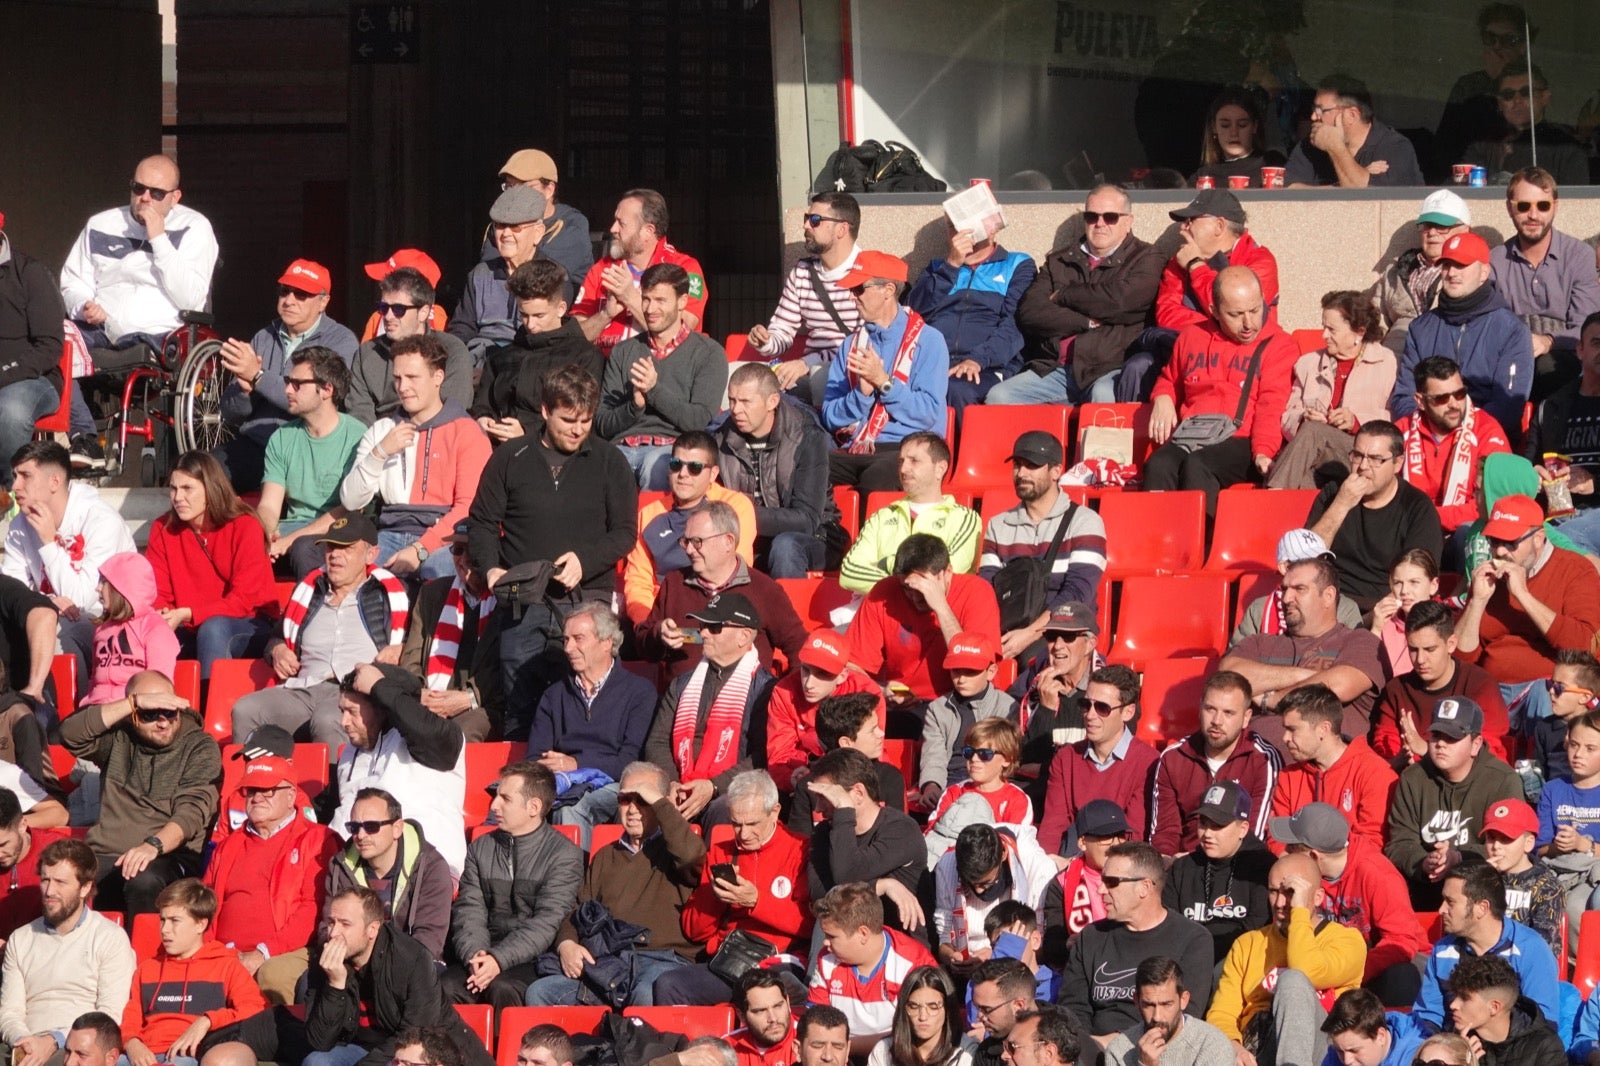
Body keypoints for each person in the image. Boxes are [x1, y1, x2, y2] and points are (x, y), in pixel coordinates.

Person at [467, 363, 637, 739]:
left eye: (586, 420)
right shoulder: (510, 457)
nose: (578, 429)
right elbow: (480, 522)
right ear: (544, 411)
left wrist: (584, 559)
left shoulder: (611, 462)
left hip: (587, 600)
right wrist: (492, 569)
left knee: (590, 699)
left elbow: (625, 532)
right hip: (523, 598)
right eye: (568, 420)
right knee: (520, 705)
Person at [61, 155, 218, 460]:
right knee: (54, 339)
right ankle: (84, 436)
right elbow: (73, 280)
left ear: (175, 197)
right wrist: (83, 305)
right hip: (101, 327)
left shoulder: (195, 227)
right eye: (138, 188)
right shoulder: (101, 224)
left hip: (160, 333)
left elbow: (191, 297)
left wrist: (158, 237)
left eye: (156, 193)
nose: (145, 198)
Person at [523, 761, 706, 1007]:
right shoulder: (605, 856)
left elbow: (692, 857)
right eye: (625, 800)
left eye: (642, 800)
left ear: (661, 804)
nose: (632, 809)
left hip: (664, 961)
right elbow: (578, 909)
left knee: (645, 993)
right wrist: (567, 944)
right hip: (611, 964)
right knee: (540, 992)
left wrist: (662, 805)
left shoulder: (676, 850)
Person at [231, 514, 409, 755]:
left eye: (346, 548)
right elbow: (277, 637)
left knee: (327, 720)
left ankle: (333, 793)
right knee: (245, 709)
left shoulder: (387, 595)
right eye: (331, 546)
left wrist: (401, 648)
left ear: (370, 554)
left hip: (356, 692)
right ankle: (252, 787)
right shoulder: (308, 593)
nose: (335, 554)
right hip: (303, 688)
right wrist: (277, 650)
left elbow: (418, 644)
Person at [60, 671, 220, 915]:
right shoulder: (119, 738)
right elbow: (69, 734)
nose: (163, 721)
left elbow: (192, 812)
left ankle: (143, 951)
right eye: (150, 713)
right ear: (133, 715)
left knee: (143, 880)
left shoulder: (199, 746)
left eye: (168, 711)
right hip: (105, 853)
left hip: (169, 856)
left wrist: (153, 845)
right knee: (60, 877)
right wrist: (132, 703)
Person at [1145, 266, 1298, 514]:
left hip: (1244, 440)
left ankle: (1201, 545)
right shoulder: (1191, 337)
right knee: (1158, 465)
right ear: (1214, 311)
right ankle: (1156, 543)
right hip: (1195, 434)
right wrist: (1162, 396)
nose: (1248, 323)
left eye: (1255, 310)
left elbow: (1272, 405)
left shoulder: (1279, 345)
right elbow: (1169, 377)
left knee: (1199, 465)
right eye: (1236, 314)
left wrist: (1263, 452)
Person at [340, 335, 491, 583]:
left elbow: (467, 508)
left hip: (448, 537)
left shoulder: (467, 431)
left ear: (437, 378)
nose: (402, 387)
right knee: (355, 577)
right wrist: (380, 453)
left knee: (438, 572)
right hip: (390, 532)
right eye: (398, 378)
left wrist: (420, 549)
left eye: (412, 378)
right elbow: (351, 500)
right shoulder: (382, 430)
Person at [657, 770, 812, 1005]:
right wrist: (715, 895)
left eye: (752, 823)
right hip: (731, 960)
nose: (744, 833)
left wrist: (756, 902)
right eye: (736, 824)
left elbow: (809, 923)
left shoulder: (799, 850)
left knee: (767, 986)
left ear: (775, 812)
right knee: (668, 985)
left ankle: (784, 992)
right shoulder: (722, 851)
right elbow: (694, 931)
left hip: (781, 957)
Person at [1002, 184, 1162, 407]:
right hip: (1055, 369)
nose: (1100, 224)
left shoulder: (1146, 258)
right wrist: (1085, 321)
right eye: (1091, 216)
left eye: (1110, 217)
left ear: (1128, 221)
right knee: (999, 398)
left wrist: (1064, 294)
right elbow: (1030, 312)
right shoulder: (1059, 261)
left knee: (1103, 399)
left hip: (1110, 368)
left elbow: (1121, 301)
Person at [202, 753, 342, 1004]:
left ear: (291, 795)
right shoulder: (228, 846)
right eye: (251, 790)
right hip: (226, 952)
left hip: (285, 953)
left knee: (272, 975)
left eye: (267, 790)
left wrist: (262, 953)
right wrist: (215, 954)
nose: (257, 797)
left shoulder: (318, 841)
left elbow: (312, 910)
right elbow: (203, 906)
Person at [442, 761, 582, 1010]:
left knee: (503, 989)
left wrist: (499, 959)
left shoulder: (564, 855)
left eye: (505, 798)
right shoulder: (480, 848)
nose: (494, 805)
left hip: (533, 959)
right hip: (482, 952)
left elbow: (547, 923)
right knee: (445, 986)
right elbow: (468, 909)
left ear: (534, 807)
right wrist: (476, 954)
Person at [1206, 853, 1367, 1066]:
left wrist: (1300, 913)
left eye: (1292, 892)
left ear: (1317, 897)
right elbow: (1222, 1013)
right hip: (1258, 1045)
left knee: (1293, 981)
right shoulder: (1249, 943)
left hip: (1323, 1048)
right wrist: (1232, 1045)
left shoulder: (1347, 940)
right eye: (1274, 891)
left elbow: (1306, 971)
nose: (1281, 903)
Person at [303, 887, 494, 1066]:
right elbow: (319, 1041)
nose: (334, 933)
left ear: (372, 929)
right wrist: (335, 985)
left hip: (409, 1053)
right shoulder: (326, 960)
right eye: (331, 923)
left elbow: (416, 1035)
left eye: (345, 924)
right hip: (359, 1048)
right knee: (317, 1061)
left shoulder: (411, 959)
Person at [213, 259, 359, 492]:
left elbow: (315, 398)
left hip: (309, 447)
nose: (289, 300)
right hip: (257, 443)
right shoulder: (264, 336)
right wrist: (244, 390)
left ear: (323, 302)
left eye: (301, 294)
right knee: (199, 474)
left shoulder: (341, 340)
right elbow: (230, 413)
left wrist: (258, 376)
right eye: (284, 291)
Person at [1454, 493, 1600, 721]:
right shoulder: (1487, 578)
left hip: (1549, 688)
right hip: (1492, 688)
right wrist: (1477, 601)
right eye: (1494, 542)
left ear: (1539, 538)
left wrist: (1523, 595)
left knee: (1545, 699)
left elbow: (1583, 646)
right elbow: (1460, 659)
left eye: (1510, 543)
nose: (1500, 551)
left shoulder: (1576, 571)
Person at [2, 441, 136, 685]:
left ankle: (69, 717)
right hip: (53, 613)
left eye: (25, 476)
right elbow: (11, 590)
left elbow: (83, 600)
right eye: (14, 476)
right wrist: (47, 602)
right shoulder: (20, 524)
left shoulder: (101, 520)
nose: (15, 486)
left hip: (107, 622)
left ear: (54, 481)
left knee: (53, 631)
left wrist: (48, 542)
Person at [1272, 802, 1430, 1008]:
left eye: (1292, 848)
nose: (1284, 851)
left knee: (1401, 975)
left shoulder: (1378, 875)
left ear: (1313, 856)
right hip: (1329, 962)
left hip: (1383, 964)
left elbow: (1401, 942)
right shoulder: (1302, 874)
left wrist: (1350, 971)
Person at [1127, 189, 1278, 402]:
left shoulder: (1259, 261)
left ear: (1219, 226)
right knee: (1138, 366)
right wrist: (1215, 327)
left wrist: (1196, 266)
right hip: (1186, 353)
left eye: (1191, 220)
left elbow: (1238, 315)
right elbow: (1167, 315)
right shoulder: (1179, 260)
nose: (1183, 227)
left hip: (1243, 358)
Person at [1060, 842, 1214, 1046]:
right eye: (1102, 880)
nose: (1100, 889)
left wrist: (1120, 1044)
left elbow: (1184, 1017)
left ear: (1144, 887)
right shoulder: (1091, 936)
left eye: (1111, 882)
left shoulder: (1193, 940)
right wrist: (1088, 1047)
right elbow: (1073, 1008)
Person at [642, 592, 775, 825]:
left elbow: (761, 755)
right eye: (703, 625)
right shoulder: (682, 684)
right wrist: (672, 783)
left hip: (729, 791)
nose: (702, 633)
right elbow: (657, 741)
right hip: (677, 787)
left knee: (724, 810)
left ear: (744, 636)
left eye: (714, 628)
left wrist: (713, 786)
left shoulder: (766, 689)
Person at [1220, 558, 1387, 743]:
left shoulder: (1360, 641)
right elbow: (1227, 678)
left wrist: (1274, 700)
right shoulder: (1259, 643)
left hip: (1325, 768)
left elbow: (1339, 686)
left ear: (1328, 596)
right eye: (1284, 589)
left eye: (1299, 589)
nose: (1286, 598)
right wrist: (1308, 676)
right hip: (1255, 763)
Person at [822, 252, 949, 494]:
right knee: (804, 470)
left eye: (859, 289)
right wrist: (860, 395)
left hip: (903, 449)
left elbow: (929, 414)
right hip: (853, 446)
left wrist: (884, 382)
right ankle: (822, 533)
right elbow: (829, 416)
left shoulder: (929, 341)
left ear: (888, 290)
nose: (852, 297)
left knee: (878, 477)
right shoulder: (851, 344)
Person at [527, 603, 655, 843]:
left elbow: (631, 761)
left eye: (578, 639)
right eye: (565, 640)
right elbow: (536, 758)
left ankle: (571, 881)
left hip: (617, 785)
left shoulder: (639, 692)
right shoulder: (554, 696)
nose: (568, 648)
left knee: (571, 807)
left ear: (606, 642)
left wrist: (577, 763)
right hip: (564, 785)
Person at [0, 839, 135, 1065]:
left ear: (85, 887)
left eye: (61, 882)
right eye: (45, 880)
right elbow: (9, 1010)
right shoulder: (21, 939)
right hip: (22, 1044)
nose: (50, 891)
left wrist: (54, 1040)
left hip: (74, 1048)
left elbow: (109, 1016)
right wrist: (25, 1041)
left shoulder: (109, 938)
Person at [329, 663, 468, 879]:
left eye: (352, 712)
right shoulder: (349, 754)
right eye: (341, 711)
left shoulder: (434, 739)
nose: (343, 722)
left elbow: (424, 729)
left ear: (383, 708)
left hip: (425, 873)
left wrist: (378, 686)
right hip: (356, 871)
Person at [595, 264, 727, 491]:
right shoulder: (624, 351)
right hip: (621, 447)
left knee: (655, 467)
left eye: (660, 300)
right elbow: (603, 423)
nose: (649, 308)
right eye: (645, 299)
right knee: (593, 469)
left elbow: (697, 421)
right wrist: (634, 406)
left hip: (672, 449)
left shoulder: (708, 353)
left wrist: (654, 390)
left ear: (682, 301)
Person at [147, 451, 278, 679]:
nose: (178, 497)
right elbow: (157, 593)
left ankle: (207, 711)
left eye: (187, 489)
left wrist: (189, 614)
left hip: (249, 624)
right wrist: (165, 615)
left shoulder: (245, 526)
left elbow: (243, 601)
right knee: (146, 632)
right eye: (173, 488)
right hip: (187, 624)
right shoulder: (163, 527)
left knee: (213, 629)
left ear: (210, 489)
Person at [977, 432, 1107, 660]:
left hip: (1066, 630)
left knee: (1036, 658)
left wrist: (1030, 634)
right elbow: (986, 590)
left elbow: (1077, 593)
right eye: (1017, 465)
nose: (1021, 473)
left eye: (1032, 465)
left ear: (1056, 471)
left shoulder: (1085, 521)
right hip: (1009, 628)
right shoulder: (998, 525)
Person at [1390, 232, 1533, 440]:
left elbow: (1508, 404)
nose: (1451, 273)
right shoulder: (1420, 328)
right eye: (1446, 265)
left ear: (1484, 272)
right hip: (1426, 439)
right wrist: (1432, 430)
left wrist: (1460, 432)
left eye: (1461, 265)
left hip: (1484, 440)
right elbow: (1404, 396)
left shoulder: (1512, 330)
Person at [637, 507, 805, 680]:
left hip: (745, 704)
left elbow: (800, 649)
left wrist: (785, 699)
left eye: (697, 541)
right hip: (679, 702)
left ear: (728, 541)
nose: (688, 550)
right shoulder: (674, 583)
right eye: (685, 541)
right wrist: (658, 634)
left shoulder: (764, 590)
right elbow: (643, 645)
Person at [1385, 699, 1523, 908]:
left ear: (1475, 745)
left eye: (1452, 738)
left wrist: (1458, 858)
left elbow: (1511, 846)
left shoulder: (1502, 780)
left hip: (1484, 887)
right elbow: (1399, 843)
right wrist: (1423, 862)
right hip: (1425, 885)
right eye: (1436, 736)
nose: (1441, 744)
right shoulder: (1413, 778)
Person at [119, 878, 267, 1066]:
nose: (165, 930)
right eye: (162, 920)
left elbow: (256, 1010)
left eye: (175, 921)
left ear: (200, 924)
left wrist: (208, 1020)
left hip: (187, 1057)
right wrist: (131, 1043)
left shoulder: (226, 966)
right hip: (142, 1055)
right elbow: (130, 1017)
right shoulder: (146, 969)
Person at [847, 534, 1002, 710]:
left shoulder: (977, 592)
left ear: (947, 572)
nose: (915, 596)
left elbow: (971, 665)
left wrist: (940, 606)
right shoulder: (884, 593)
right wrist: (882, 690)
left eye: (922, 587)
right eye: (907, 588)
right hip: (904, 704)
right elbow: (853, 666)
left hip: (963, 702)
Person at [1304, 421, 1445, 610]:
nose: (1363, 466)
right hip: (1328, 604)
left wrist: (1373, 617)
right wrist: (1341, 504)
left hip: (1383, 610)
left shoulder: (1417, 508)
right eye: (1357, 456)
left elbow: (1417, 584)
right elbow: (1305, 562)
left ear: (1397, 463)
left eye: (1375, 459)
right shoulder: (1333, 494)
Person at [906, 220, 1036, 421]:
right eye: (952, 227)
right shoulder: (938, 268)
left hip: (988, 365)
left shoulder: (1017, 265)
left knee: (957, 389)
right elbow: (912, 312)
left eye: (967, 226)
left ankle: (956, 453)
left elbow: (1016, 325)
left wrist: (978, 359)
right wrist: (950, 267)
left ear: (991, 230)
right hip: (936, 362)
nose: (959, 234)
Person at [1266, 291, 1396, 491]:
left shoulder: (1386, 362)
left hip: (1361, 453)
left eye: (1332, 330)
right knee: (1305, 477)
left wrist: (1356, 421)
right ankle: (1293, 518)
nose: (1323, 335)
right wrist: (1302, 419)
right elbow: (1288, 415)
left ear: (1359, 332)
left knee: (1313, 433)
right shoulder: (1308, 364)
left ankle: (1269, 500)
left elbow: (1394, 417)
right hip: (1318, 452)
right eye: (1323, 327)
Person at [256, 347, 366, 581]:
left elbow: (350, 510)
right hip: (291, 528)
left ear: (327, 389)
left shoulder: (357, 437)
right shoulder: (282, 437)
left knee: (303, 548)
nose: (287, 390)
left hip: (339, 531)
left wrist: (290, 540)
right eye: (288, 381)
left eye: (297, 384)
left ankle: (315, 611)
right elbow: (269, 505)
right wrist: (264, 532)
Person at [623, 432, 758, 624]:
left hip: (717, 614)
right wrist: (648, 625)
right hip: (661, 615)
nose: (683, 474)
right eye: (676, 465)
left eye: (694, 467)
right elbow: (638, 580)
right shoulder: (650, 513)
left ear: (713, 474)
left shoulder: (735, 506)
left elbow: (738, 571)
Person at [1412, 861, 1558, 1035]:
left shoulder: (1531, 949)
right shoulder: (1442, 950)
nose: (1441, 909)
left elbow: (1543, 1023)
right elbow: (1428, 1016)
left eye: (1450, 902)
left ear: (1482, 908)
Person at [1489, 167, 1600, 398]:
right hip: (1509, 355)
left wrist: (1548, 341)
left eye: (1542, 205)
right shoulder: (1496, 259)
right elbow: (1490, 323)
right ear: (1510, 208)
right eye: (1523, 206)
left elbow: (1586, 325)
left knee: (1548, 368)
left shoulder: (1579, 255)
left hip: (1564, 357)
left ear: (1555, 207)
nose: (1533, 214)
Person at [715, 362, 832, 577]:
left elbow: (806, 520)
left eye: (745, 402)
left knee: (785, 546)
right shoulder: (720, 439)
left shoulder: (806, 437)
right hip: (748, 536)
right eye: (731, 400)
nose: (735, 409)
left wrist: (742, 514)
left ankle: (787, 611)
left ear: (772, 401)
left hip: (814, 537)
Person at [1149, 670, 1280, 857]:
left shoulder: (1263, 760)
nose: (1217, 721)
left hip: (1238, 866)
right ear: (1200, 708)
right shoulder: (1174, 758)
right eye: (1210, 709)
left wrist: (1194, 863)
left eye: (1228, 713)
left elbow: (1253, 837)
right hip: (1181, 869)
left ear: (1246, 717)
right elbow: (1164, 834)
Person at [472, 259, 604, 444]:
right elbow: (483, 403)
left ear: (561, 309)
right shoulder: (502, 357)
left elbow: (583, 420)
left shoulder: (585, 357)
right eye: (524, 315)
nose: (531, 325)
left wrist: (528, 432)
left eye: (539, 316)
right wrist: (483, 418)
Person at [748, 192, 863, 404]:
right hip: (809, 372)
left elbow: (872, 345)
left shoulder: (869, 275)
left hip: (851, 375)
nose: (806, 226)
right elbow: (783, 329)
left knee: (817, 382)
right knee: (742, 380)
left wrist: (807, 363)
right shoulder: (802, 271)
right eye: (806, 218)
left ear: (842, 229)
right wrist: (766, 340)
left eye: (815, 220)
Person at [1037, 665, 1160, 856]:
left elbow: (1134, 838)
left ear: (1127, 712)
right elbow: (1052, 829)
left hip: (1118, 870)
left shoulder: (1148, 763)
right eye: (1086, 705)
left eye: (1102, 708)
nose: (1090, 715)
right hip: (1069, 866)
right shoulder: (1066, 758)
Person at [324, 787, 455, 963]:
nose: (361, 835)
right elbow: (327, 927)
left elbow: (428, 941)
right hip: (352, 962)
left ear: (397, 828)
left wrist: (384, 970)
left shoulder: (431, 867)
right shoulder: (340, 866)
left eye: (372, 826)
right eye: (354, 827)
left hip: (410, 969)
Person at [841, 432, 981, 595]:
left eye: (914, 461)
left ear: (940, 469)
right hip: (882, 613)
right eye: (901, 461)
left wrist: (886, 563)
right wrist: (909, 583)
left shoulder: (965, 519)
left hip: (935, 617)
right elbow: (849, 572)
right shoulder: (881, 516)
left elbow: (945, 575)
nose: (903, 469)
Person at [1372, 601, 1510, 765]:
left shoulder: (1480, 685)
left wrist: (1425, 749)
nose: (1420, 660)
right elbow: (1384, 751)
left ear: (1451, 644)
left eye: (1430, 650)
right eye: (1413, 650)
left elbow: (1488, 755)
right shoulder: (1396, 691)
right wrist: (1401, 759)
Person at [573, 189, 708, 357]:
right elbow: (574, 337)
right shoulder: (602, 268)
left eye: (621, 223)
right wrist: (605, 315)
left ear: (648, 231)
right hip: (604, 371)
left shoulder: (684, 269)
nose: (613, 229)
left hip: (662, 373)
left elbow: (683, 335)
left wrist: (630, 297)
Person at [398, 522, 499, 743]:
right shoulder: (432, 593)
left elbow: (507, 668)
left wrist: (469, 698)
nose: (463, 559)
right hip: (432, 698)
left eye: (471, 551)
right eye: (457, 550)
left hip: (484, 703)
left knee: (459, 734)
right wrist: (420, 694)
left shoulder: (506, 598)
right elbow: (412, 657)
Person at [809, 883, 937, 1055]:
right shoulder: (827, 959)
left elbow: (922, 1034)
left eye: (831, 936)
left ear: (863, 933)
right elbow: (816, 1027)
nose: (825, 942)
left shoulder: (914, 964)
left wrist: (843, 1045)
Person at [1269, 686, 1398, 855]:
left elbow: (1372, 844)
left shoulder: (1375, 772)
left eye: (1292, 729)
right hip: (1296, 873)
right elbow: (1277, 839)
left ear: (1323, 728)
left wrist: (1323, 874)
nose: (1285, 738)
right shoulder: (1289, 776)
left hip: (1350, 876)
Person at [1396, 356, 1513, 539]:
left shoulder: (1487, 431)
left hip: (1462, 533)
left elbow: (1493, 503)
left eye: (1460, 394)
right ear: (1420, 401)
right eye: (1441, 398)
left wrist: (1428, 517)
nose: (1453, 404)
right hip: (1410, 531)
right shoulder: (1402, 431)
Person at [1160, 783, 1273, 965]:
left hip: (1242, 962)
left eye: (1218, 825)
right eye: (1203, 824)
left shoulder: (1262, 868)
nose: (1207, 834)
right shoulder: (1182, 868)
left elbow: (1258, 927)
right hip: (1187, 960)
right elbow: (1168, 924)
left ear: (1243, 829)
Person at [766, 630, 885, 796]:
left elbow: (870, 751)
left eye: (822, 674)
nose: (809, 683)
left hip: (855, 783)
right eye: (805, 670)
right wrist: (793, 778)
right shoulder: (784, 691)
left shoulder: (866, 692)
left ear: (842, 676)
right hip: (803, 784)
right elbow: (778, 759)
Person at [449, 186, 558, 367]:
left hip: (528, 365)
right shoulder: (480, 274)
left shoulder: (553, 276)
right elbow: (462, 329)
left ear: (538, 232)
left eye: (515, 227)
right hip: (479, 361)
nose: (505, 234)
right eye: (499, 225)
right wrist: (461, 369)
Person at [350, 267, 474, 425]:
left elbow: (453, 413)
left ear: (423, 312)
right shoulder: (367, 353)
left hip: (436, 439)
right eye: (383, 308)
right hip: (379, 440)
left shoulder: (451, 350)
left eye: (398, 309)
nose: (388, 316)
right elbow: (359, 417)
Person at [803, 748, 924, 905]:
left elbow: (847, 875)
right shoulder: (824, 832)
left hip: (893, 928)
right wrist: (881, 886)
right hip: (846, 927)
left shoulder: (902, 830)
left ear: (858, 793)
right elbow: (818, 894)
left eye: (827, 797)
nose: (818, 808)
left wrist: (844, 809)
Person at [0, 215, 66, 497]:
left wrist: (6, 374)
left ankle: (7, 489)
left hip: (34, 378)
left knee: (12, 409)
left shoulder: (30, 272)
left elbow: (49, 345)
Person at [932, 825, 1056, 972]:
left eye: (986, 883)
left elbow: (1040, 947)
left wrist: (996, 957)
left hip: (1017, 969)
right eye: (969, 883)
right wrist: (953, 958)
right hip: (966, 970)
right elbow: (944, 937)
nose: (978, 890)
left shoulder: (1038, 869)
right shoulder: (947, 865)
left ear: (1003, 856)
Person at [1529, 313, 1600, 553]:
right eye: (1596, 343)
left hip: (1594, 513)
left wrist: (1594, 484)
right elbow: (1528, 463)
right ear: (1579, 350)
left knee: (1559, 540)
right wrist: (1533, 476)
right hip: (1557, 512)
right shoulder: (1550, 407)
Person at [918, 633, 1015, 809]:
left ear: (991, 672)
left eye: (970, 671)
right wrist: (931, 785)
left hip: (991, 783)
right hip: (948, 782)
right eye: (956, 671)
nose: (961, 679)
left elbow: (1007, 759)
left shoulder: (1007, 707)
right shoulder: (938, 708)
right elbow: (934, 754)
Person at [1372, 190, 1473, 358]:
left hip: (1445, 360)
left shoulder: (1474, 274)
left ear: (1465, 230)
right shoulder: (1395, 272)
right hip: (1396, 359)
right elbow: (1375, 322)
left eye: (1442, 226)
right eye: (1427, 226)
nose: (1432, 233)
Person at [787, 693, 904, 834]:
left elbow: (897, 837)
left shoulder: (889, 778)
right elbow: (800, 844)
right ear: (846, 743)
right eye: (872, 730)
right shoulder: (809, 786)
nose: (881, 734)